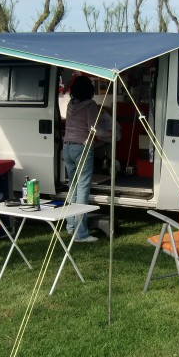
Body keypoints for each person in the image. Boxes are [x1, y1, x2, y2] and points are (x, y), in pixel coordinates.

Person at [62, 75, 99, 243]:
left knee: (73, 187)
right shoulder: (91, 105)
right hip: (82, 147)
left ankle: (71, 226)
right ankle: (81, 233)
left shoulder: (71, 104)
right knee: (83, 188)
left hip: (67, 147)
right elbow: (93, 128)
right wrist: (108, 134)